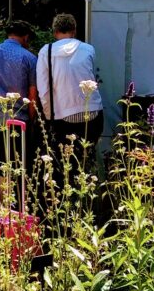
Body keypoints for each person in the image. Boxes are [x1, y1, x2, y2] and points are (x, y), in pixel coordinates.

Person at [36, 13, 103, 181]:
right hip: (92, 112)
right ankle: (91, 191)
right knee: (88, 156)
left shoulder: (46, 51)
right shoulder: (88, 49)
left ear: (54, 32)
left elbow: (43, 88)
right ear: (74, 31)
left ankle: (70, 194)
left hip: (62, 116)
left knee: (66, 162)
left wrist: (49, 116)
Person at [0, 20, 38, 185]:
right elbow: (32, 95)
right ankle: (4, 208)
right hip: (16, 120)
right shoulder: (29, 58)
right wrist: (31, 119)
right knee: (8, 165)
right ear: (26, 37)